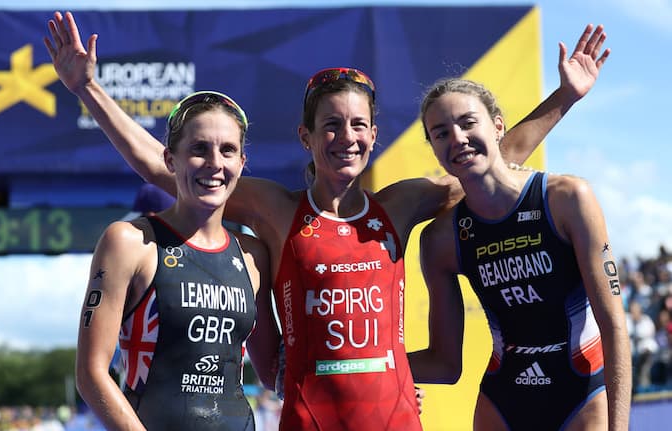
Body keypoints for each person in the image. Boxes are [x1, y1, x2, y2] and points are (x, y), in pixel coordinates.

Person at [45, 10, 608, 430]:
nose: (346, 138)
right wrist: (87, 87)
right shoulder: (276, 209)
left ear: (373, 137)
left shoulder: (401, 205)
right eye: (331, 126)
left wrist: (565, 97)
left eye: (358, 125)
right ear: (306, 139)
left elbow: (488, 157)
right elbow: (156, 163)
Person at [408, 77, 631, 430]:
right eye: (441, 133)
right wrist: (366, 367)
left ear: (498, 125)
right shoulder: (440, 240)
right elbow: (446, 365)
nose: (458, 139)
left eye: (468, 123)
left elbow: (614, 327)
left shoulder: (567, 198)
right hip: (503, 401)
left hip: (582, 394)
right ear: (433, 148)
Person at [58, 87, 280, 428]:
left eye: (228, 150)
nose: (215, 163)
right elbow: (90, 374)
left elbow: (273, 372)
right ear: (169, 160)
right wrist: (86, 87)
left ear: (241, 163)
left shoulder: (252, 255)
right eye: (199, 149)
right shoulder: (129, 242)